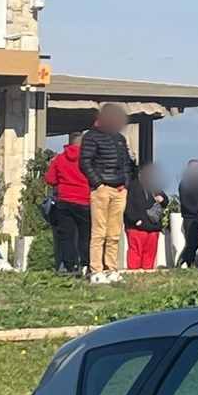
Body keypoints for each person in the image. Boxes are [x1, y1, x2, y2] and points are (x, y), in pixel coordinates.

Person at [79, 103, 136, 284]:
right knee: (99, 231)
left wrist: (126, 183)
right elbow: (85, 162)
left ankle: (111, 269)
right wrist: (98, 183)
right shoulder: (91, 137)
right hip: (102, 189)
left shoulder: (119, 138)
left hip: (119, 189)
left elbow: (126, 162)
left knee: (114, 232)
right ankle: (96, 270)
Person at [43, 132, 91, 274]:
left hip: (64, 200)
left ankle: (70, 266)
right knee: (85, 235)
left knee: (66, 235)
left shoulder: (59, 158)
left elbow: (50, 179)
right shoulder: (88, 159)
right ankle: (85, 263)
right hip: (84, 199)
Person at [123, 163, 168, 271]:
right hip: (136, 227)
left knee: (150, 254)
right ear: (139, 174)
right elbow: (127, 206)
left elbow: (165, 201)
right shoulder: (132, 187)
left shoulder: (154, 187)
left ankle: (148, 274)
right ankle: (133, 273)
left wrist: (162, 199)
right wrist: (134, 220)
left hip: (153, 227)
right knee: (135, 251)